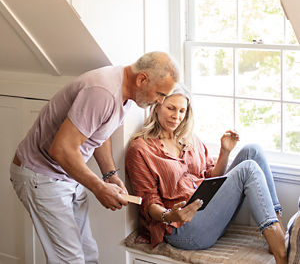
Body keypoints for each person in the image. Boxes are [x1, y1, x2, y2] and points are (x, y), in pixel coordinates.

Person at [10, 51, 179, 264]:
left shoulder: (126, 93)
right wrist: (99, 188)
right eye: (160, 94)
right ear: (142, 79)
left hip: (67, 173)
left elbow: (99, 134)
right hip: (41, 175)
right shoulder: (103, 92)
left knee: (88, 254)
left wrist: (109, 175)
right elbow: (61, 149)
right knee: (70, 259)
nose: (160, 101)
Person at [125, 83, 287, 264]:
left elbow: (212, 179)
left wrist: (224, 152)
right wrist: (170, 215)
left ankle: (280, 233)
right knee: (247, 168)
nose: (176, 117)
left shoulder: (189, 139)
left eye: (181, 111)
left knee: (252, 150)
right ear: (157, 106)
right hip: (184, 230)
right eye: (171, 108)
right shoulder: (141, 149)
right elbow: (147, 201)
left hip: (209, 214)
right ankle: (282, 256)